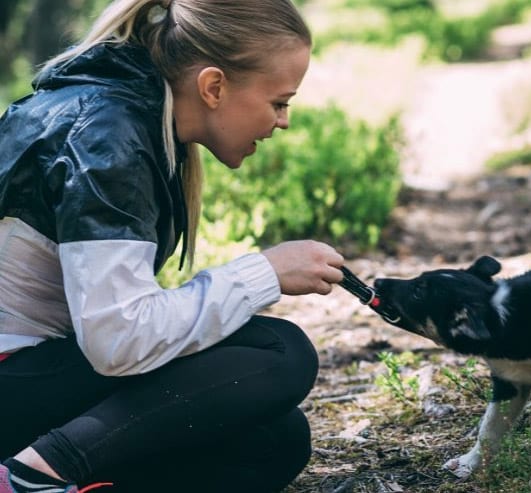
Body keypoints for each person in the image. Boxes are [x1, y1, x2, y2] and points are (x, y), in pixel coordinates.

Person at [0, 0, 345, 491]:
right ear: (213, 87)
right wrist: (263, 273)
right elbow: (116, 339)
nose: (283, 121)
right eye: (279, 102)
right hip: (12, 378)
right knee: (280, 350)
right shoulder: (106, 135)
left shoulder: (127, 116)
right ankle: (30, 477)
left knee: (275, 440)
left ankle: (47, 474)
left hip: (33, 377)